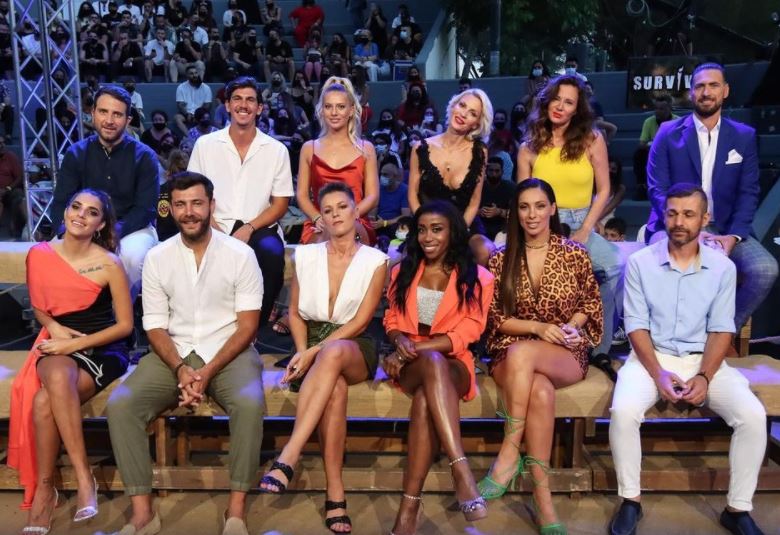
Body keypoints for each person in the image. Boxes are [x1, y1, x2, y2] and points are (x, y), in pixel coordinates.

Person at [107, 173, 264, 535]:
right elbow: (155, 326)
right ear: (171, 209)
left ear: (211, 205)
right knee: (121, 406)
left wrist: (206, 372)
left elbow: (247, 327)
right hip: (173, 354)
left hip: (229, 352)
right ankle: (143, 514)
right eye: (180, 204)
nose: (189, 212)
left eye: (196, 203)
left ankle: (235, 512)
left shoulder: (241, 255)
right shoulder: (157, 257)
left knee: (249, 404)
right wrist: (180, 368)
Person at [610, 184, 768, 535]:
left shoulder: (722, 267)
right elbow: (635, 326)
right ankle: (631, 501)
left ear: (705, 218)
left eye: (688, 214)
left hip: (704, 361)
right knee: (623, 412)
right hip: (650, 359)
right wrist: (658, 374)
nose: (679, 222)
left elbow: (722, 329)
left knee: (753, 416)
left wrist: (705, 376)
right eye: (672, 213)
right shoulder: (640, 263)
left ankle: (737, 509)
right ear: (664, 216)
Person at [259, 182, 387, 534]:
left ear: (355, 211)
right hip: (311, 345)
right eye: (327, 210)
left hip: (354, 345)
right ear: (322, 219)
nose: (335, 215)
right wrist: (303, 350)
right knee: (335, 391)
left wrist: (313, 352)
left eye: (342, 207)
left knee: (332, 353)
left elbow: (361, 320)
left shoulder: (376, 261)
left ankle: (290, 453)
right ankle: (336, 495)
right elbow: (295, 313)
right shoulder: (306, 256)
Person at [479, 178, 602, 535]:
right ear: (515, 213)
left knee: (527, 356)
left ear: (552, 209)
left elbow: (589, 304)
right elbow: (496, 319)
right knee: (540, 390)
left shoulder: (574, 253)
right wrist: (537, 327)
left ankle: (509, 451)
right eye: (524, 207)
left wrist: (570, 327)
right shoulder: (500, 258)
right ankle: (543, 499)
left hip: (563, 350)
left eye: (539, 206)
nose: (532, 214)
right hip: (510, 351)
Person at [9, 189, 133, 530]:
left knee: (43, 401)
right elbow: (39, 308)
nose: (81, 215)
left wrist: (75, 345)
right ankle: (83, 478)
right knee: (57, 376)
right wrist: (53, 329)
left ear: (101, 224)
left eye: (92, 212)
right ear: (65, 212)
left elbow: (125, 326)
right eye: (76, 207)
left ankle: (46, 490)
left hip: (102, 347)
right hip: (57, 341)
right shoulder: (39, 254)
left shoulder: (109, 263)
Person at [383, 200, 493, 535]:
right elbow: (391, 319)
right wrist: (399, 339)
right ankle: (461, 469)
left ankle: (408, 508)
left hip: (454, 363)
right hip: (412, 365)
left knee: (423, 401)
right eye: (422, 230)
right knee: (430, 363)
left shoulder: (478, 277)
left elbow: (468, 332)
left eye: (437, 229)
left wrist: (409, 350)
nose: (428, 237)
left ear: (453, 232)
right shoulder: (402, 272)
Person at [646, 62, 778, 339]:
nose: (706, 92)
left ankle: (720, 335)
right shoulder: (667, 132)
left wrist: (734, 237)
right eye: (700, 86)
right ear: (691, 93)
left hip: (725, 228)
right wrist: (690, 228)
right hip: (673, 225)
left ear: (725, 91)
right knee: (671, 266)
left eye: (713, 85)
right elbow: (658, 189)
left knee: (765, 269)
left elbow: (748, 192)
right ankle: (669, 337)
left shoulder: (743, 136)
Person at [517, 74, 622, 356]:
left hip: (581, 221)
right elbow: (523, 197)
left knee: (615, 266)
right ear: (546, 101)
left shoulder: (592, 139)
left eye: (568, 102)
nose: (560, 106)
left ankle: (601, 345)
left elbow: (604, 190)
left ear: (577, 109)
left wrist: (586, 228)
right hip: (543, 222)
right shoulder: (529, 147)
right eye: (556, 99)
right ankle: (547, 342)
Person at [188, 76, 293, 329]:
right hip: (213, 224)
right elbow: (193, 194)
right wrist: (213, 227)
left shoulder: (276, 149)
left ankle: (253, 330)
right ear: (227, 105)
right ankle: (210, 327)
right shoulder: (206, 145)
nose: (243, 105)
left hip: (259, 225)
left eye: (250, 100)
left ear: (259, 108)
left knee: (272, 255)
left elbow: (280, 204)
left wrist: (249, 228)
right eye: (237, 99)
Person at [51, 85, 159, 299]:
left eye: (117, 114)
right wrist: (68, 233)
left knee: (131, 257)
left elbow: (145, 209)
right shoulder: (76, 153)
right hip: (83, 226)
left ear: (128, 120)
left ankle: (121, 313)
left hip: (132, 228)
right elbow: (61, 202)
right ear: (92, 114)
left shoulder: (145, 156)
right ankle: (69, 313)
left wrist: (110, 234)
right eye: (103, 112)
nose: (109, 120)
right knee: (52, 255)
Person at [407, 88, 493, 264]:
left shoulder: (480, 152)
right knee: (402, 262)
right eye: (462, 105)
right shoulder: (420, 148)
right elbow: (412, 197)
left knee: (484, 250)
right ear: (453, 106)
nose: (463, 114)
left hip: (463, 223)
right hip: (426, 224)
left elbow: (474, 202)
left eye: (472, 113)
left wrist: (457, 232)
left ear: (476, 124)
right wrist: (426, 228)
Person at [296, 76, 378, 246]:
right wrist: (317, 217)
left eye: (340, 107)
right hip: (319, 221)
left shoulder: (366, 149)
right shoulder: (309, 148)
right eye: (328, 107)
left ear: (351, 110)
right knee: (325, 238)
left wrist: (351, 214)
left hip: (355, 219)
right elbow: (302, 195)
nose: (334, 113)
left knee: (346, 235)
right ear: (322, 110)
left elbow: (372, 196)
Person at [633, 93, 676, 200]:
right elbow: (642, 143)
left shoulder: (678, 121)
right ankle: (641, 186)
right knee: (639, 154)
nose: (658, 111)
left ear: (669, 108)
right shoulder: (648, 122)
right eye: (656, 108)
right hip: (654, 152)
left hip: (672, 152)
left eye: (661, 109)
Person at [479, 156, 514, 240]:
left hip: (503, 230)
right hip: (480, 229)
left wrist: (499, 212)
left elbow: (515, 214)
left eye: (497, 171)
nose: (494, 174)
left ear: (502, 172)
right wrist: (480, 211)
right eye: (491, 171)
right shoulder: (478, 187)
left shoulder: (511, 188)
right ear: (486, 171)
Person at [372, 161, 409, 237]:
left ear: (395, 176)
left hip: (395, 226)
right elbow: (373, 211)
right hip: (379, 225)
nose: (382, 177)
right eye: (381, 174)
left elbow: (405, 216)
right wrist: (372, 220)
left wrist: (385, 223)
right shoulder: (378, 189)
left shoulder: (404, 190)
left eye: (385, 175)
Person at [173, 65, 212, 136]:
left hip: (200, 113)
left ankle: (203, 136)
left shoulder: (206, 88)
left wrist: (197, 115)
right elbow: (180, 104)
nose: (194, 75)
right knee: (177, 118)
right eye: (191, 73)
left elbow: (207, 105)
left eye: (196, 73)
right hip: (186, 113)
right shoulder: (181, 87)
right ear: (187, 75)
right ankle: (190, 136)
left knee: (205, 117)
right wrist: (187, 114)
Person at [0, 136, 24, 236]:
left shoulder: (10, 157)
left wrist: (8, 188)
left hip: (9, 190)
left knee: (18, 195)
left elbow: (19, 176)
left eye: (3, 143)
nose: (2, 146)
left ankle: (15, 227)